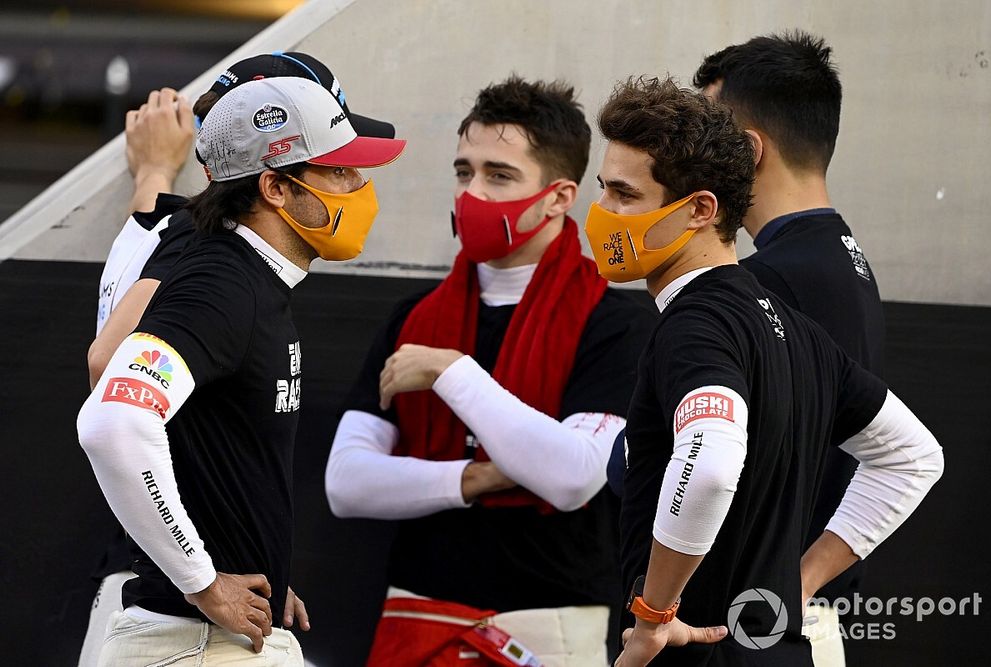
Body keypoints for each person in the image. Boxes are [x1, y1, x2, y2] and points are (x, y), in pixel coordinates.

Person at [583, 76, 943, 666]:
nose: (601, 213)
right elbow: (914, 455)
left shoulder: (696, 324)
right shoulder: (798, 330)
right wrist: (798, 585)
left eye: (624, 194)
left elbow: (709, 464)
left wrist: (654, 616)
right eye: (602, 189)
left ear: (700, 209)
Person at [79, 52, 401, 667]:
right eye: (342, 173)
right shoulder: (223, 284)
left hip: (208, 640)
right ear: (276, 187)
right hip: (195, 643)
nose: (362, 191)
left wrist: (252, 557)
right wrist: (205, 581)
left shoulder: (243, 275)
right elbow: (113, 419)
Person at [325, 75, 654, 666]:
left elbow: (574, 475)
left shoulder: (615, 322)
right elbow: (346, 483)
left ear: (558, 196)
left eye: (498, 176)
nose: (471, 193)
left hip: (551, 625)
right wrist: (475, 479)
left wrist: (453, 372)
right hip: (417, 617)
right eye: (462, 171)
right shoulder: (414, 319)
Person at [693, 32, 885, 665]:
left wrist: (799, 577)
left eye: (706, 138)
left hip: (762, 630)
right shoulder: (839, 258)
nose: (689, 160)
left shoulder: (774, 278)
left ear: (748, 150)